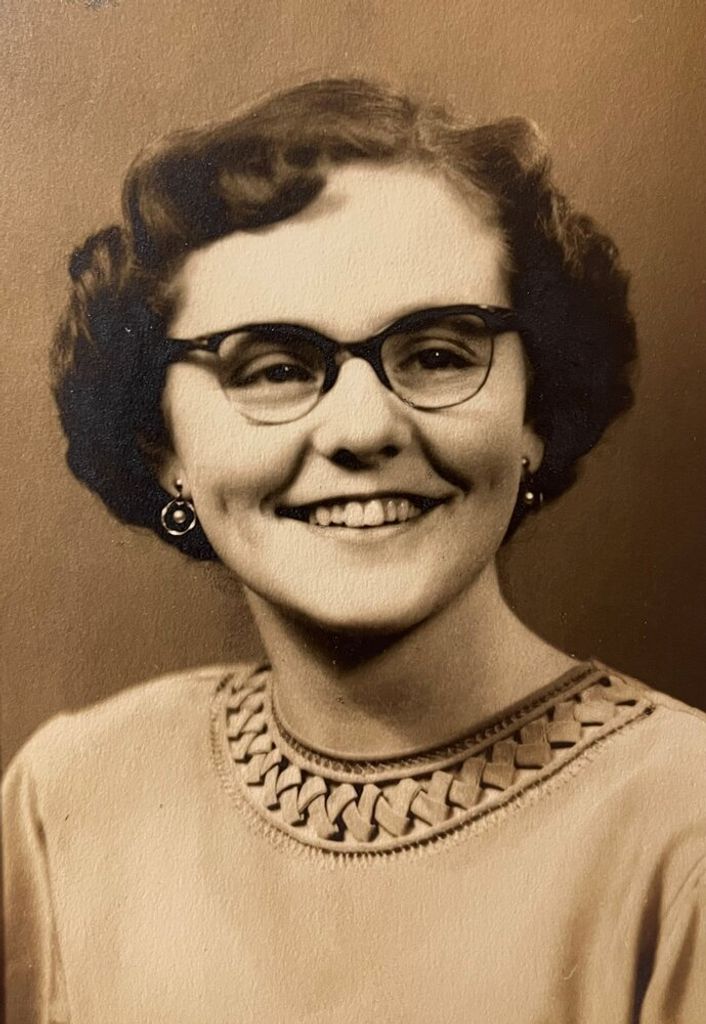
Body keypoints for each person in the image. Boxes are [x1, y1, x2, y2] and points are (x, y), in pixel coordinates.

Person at [3, 78, 704, 1023]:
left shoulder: (684, 829)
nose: (364, 428)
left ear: (536, 415)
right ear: (162, 446)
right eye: (274, 368)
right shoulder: (69, 797)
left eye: (440, 354)